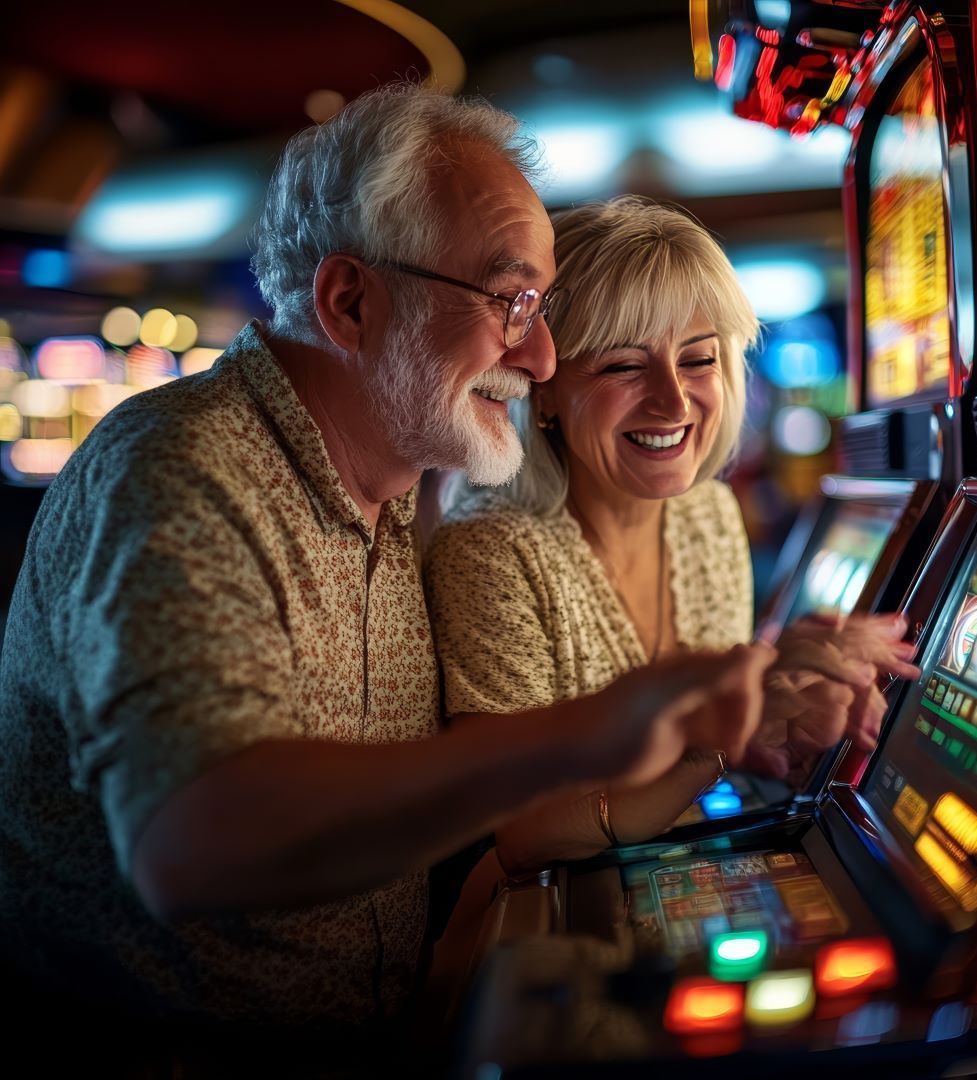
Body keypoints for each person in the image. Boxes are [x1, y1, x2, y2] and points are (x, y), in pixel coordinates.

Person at [0, 87, 777, 1063]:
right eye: (510, 303)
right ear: (351, 302)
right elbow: (190, 843)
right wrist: (581, 737)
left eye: (539, 309)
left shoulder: (402, 491)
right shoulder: (184, 471)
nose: (539, 356)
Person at [425, 196, 919, 875]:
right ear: (542, 388)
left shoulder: (707, 516)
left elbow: (696, 766)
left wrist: (783, 718)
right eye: (623, 366)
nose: (674, 401)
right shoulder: (489, 554)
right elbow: (526, 836)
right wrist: (722, 730)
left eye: (697, 360)